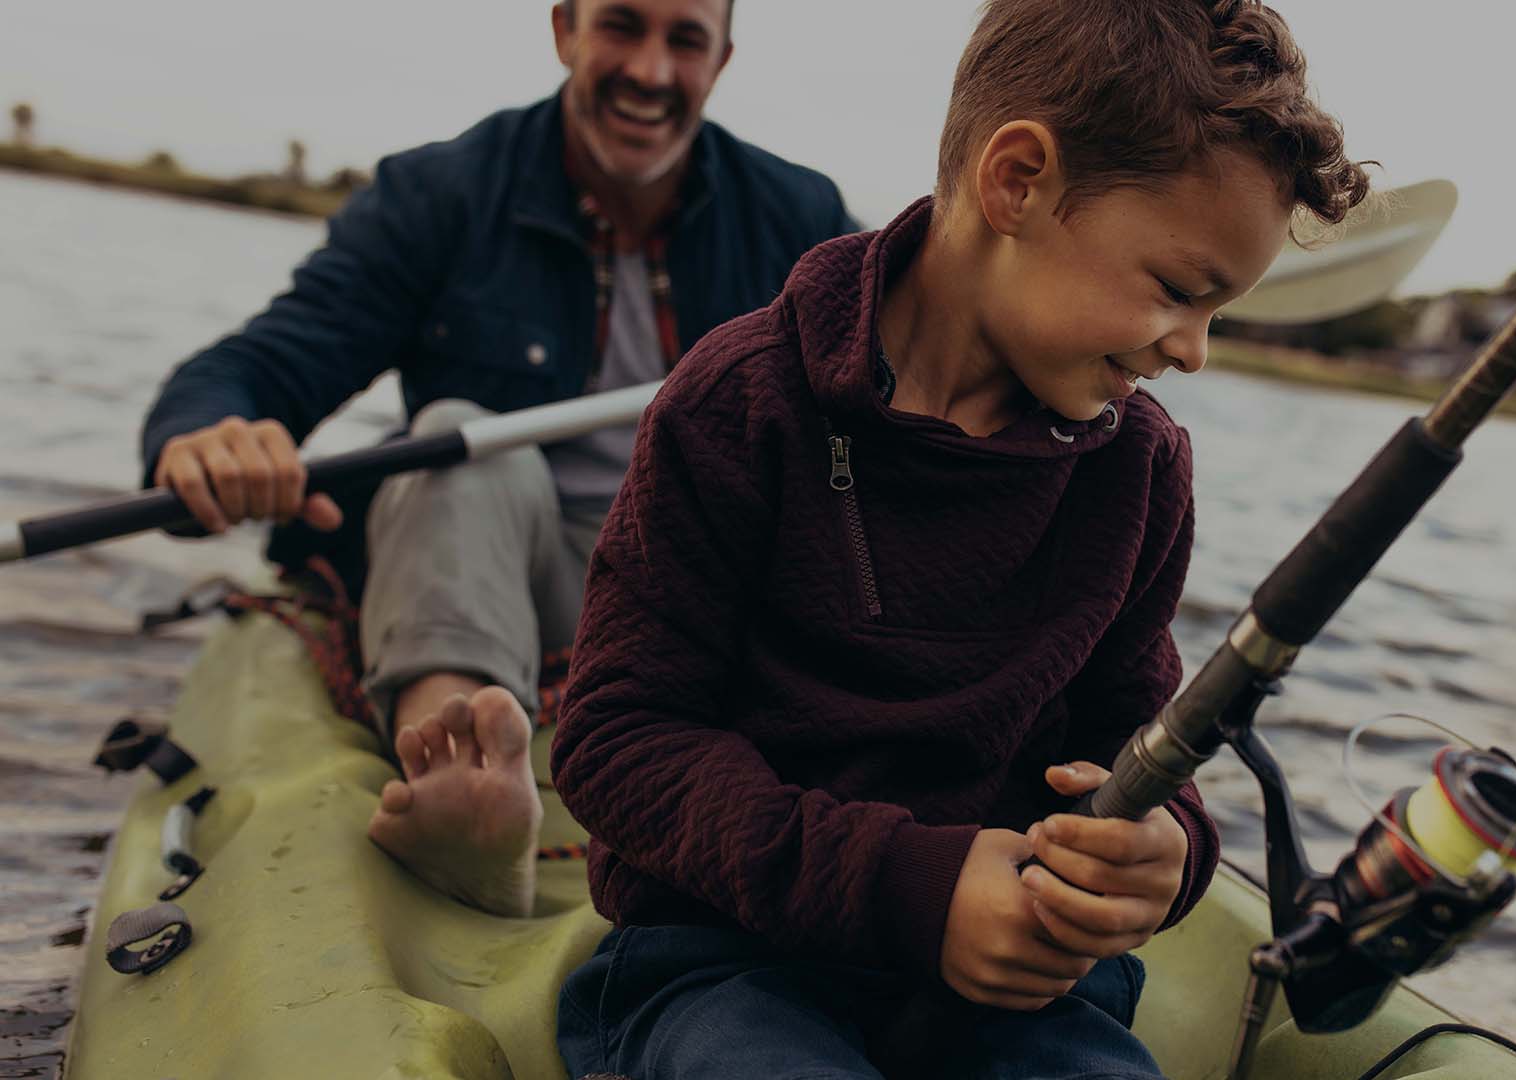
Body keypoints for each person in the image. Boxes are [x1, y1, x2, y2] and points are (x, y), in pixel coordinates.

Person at [542, 1, 1372, 1076]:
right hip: (727, 962)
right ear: (1017, 180)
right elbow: (615, 743)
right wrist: (913, 889)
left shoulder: (1141, 468)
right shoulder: (738, 404)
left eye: (1219, 314)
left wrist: (1171, 854)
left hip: (1013, 999)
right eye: (1178, 291)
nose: (1195, 350)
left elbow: (1137, 742)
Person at [137, 0, 858, 918]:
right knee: (455, 435)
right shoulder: (440, 194)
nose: (649, 70)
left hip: (698, 587)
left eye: (684, 40)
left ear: (720, 60)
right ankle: (466, 767)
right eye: (621, 27)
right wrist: (208, 432)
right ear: (565, 30)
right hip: (509, 572)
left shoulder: (803, 218)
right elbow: (259, 364)